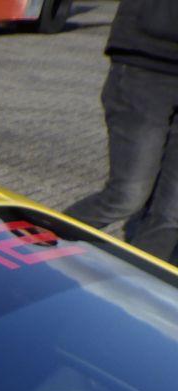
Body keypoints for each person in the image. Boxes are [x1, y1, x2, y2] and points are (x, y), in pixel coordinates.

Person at [66, 0, 178, 261]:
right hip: (147, 65)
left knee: (171, 215)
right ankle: (34, 245)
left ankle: (140, 280)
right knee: (126, 196)